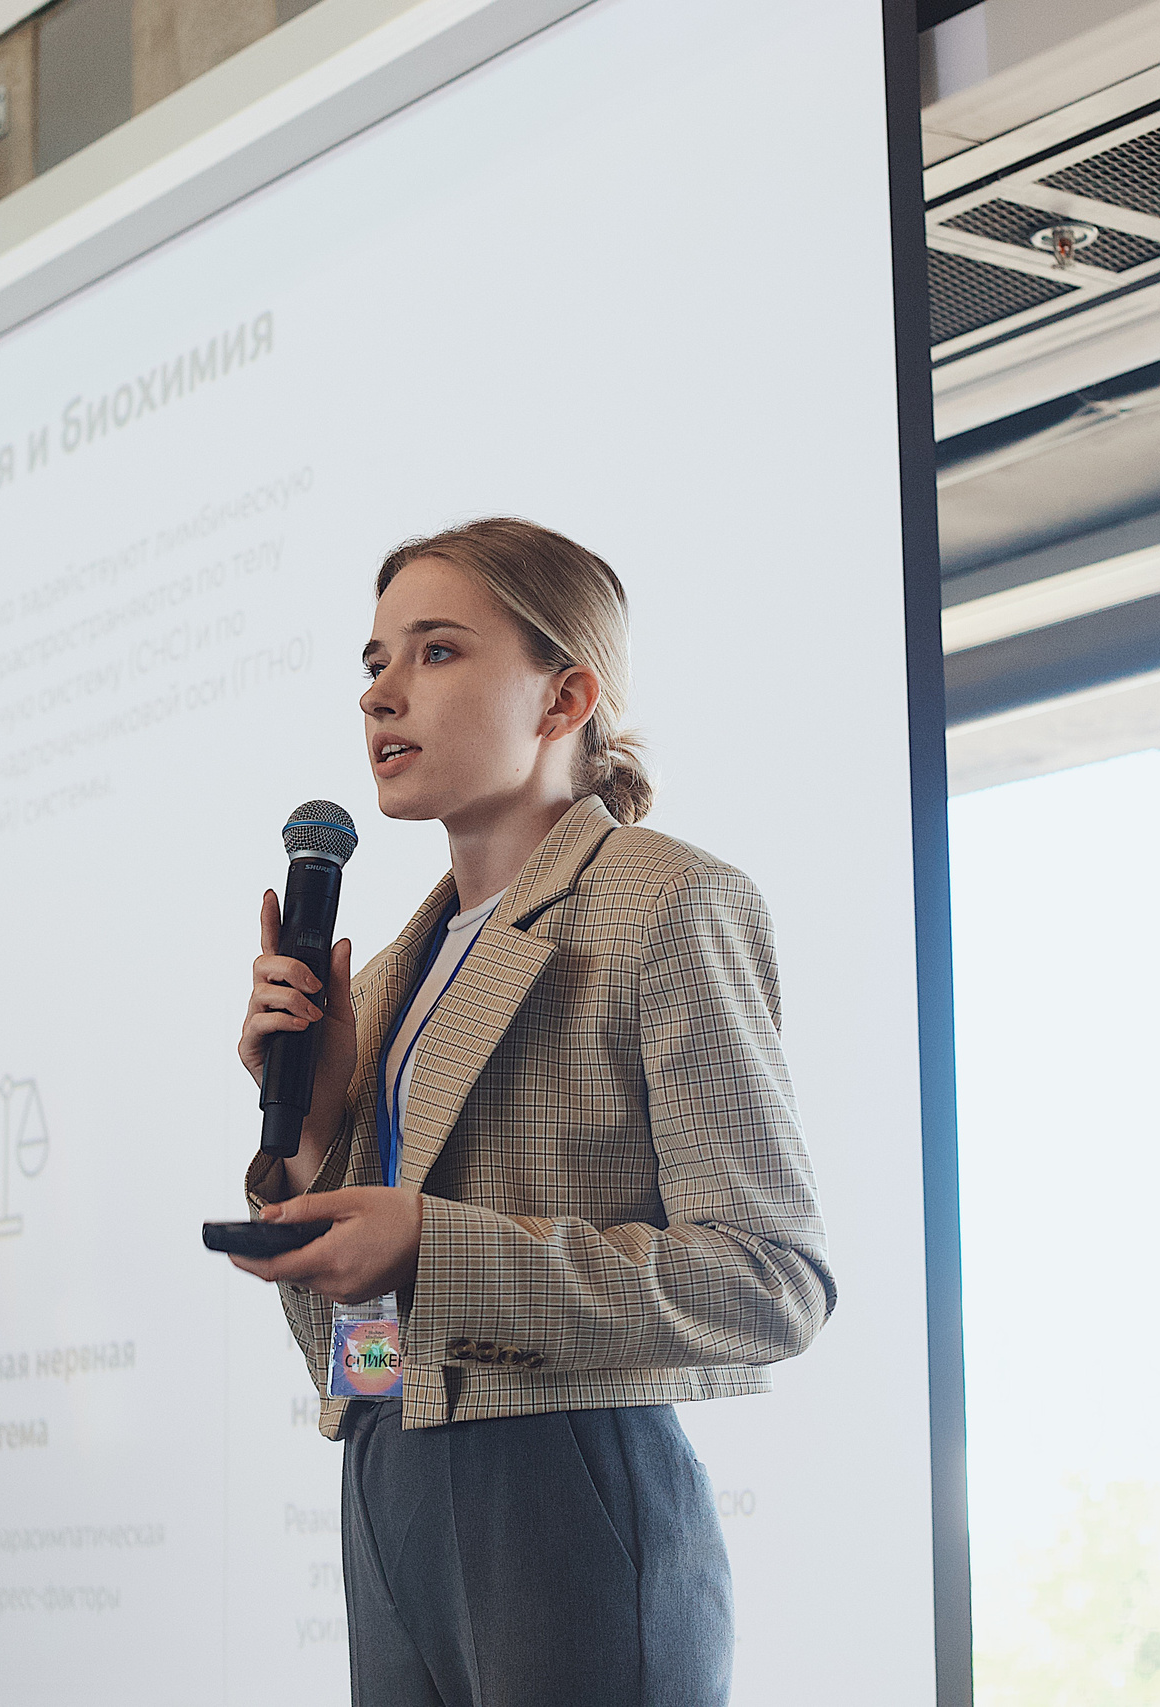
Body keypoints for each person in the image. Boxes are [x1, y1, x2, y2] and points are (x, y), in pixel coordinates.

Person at [231, 517, 835, 1707]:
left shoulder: (666, 905)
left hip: (563, 1484)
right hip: (384, 1462)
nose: (381, 696)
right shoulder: (393, 970)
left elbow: (772, 1283)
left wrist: (430, 1245)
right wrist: (301, 1142)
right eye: (372, 663)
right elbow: (371, 1305)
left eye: (436, 652)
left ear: (564, 698)